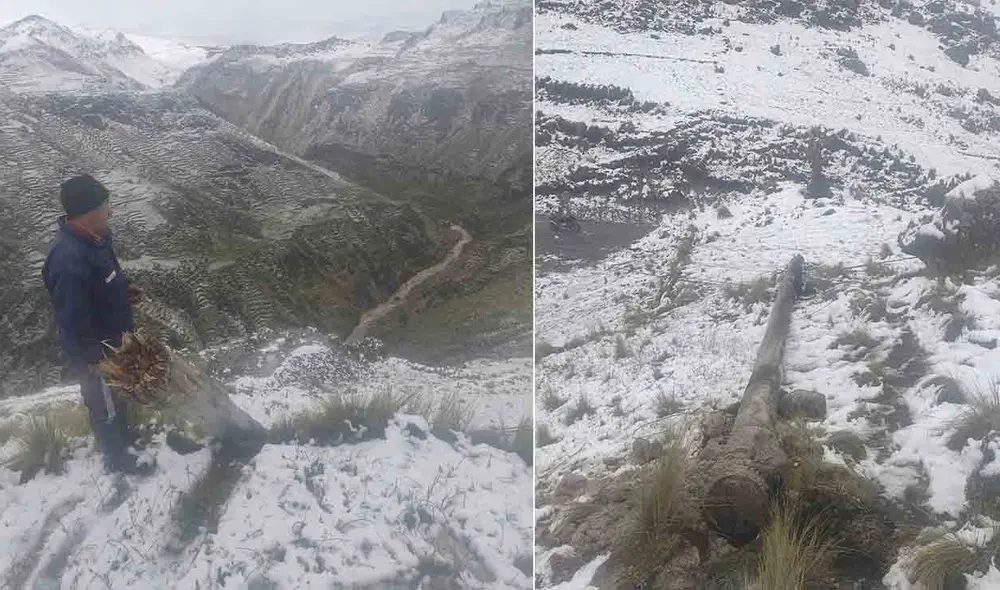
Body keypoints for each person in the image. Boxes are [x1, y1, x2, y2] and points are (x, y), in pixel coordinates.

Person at [42, 174, 151, 475]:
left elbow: (103, 281)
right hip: (96, 353)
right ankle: (118, 461)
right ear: (88, 211)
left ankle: (124, 441)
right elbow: (72, 318)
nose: (111, 211)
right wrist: (95, 361)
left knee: (117, 397)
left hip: (115, 343)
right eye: (106, 205)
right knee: (104, 403)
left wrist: (123, 291)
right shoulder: (67, 260)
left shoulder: (97, 239)